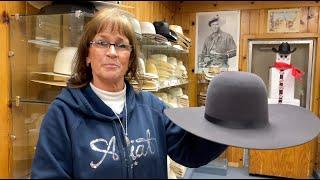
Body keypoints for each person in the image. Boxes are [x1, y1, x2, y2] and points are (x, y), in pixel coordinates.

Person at [31, 8, 227, 179]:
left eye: (121, 45)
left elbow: (190, 152)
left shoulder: (152, 108)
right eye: (101, 43)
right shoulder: (63, 114)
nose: (112, 52)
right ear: (87, 55)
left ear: (130, 58)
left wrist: (225, 126)